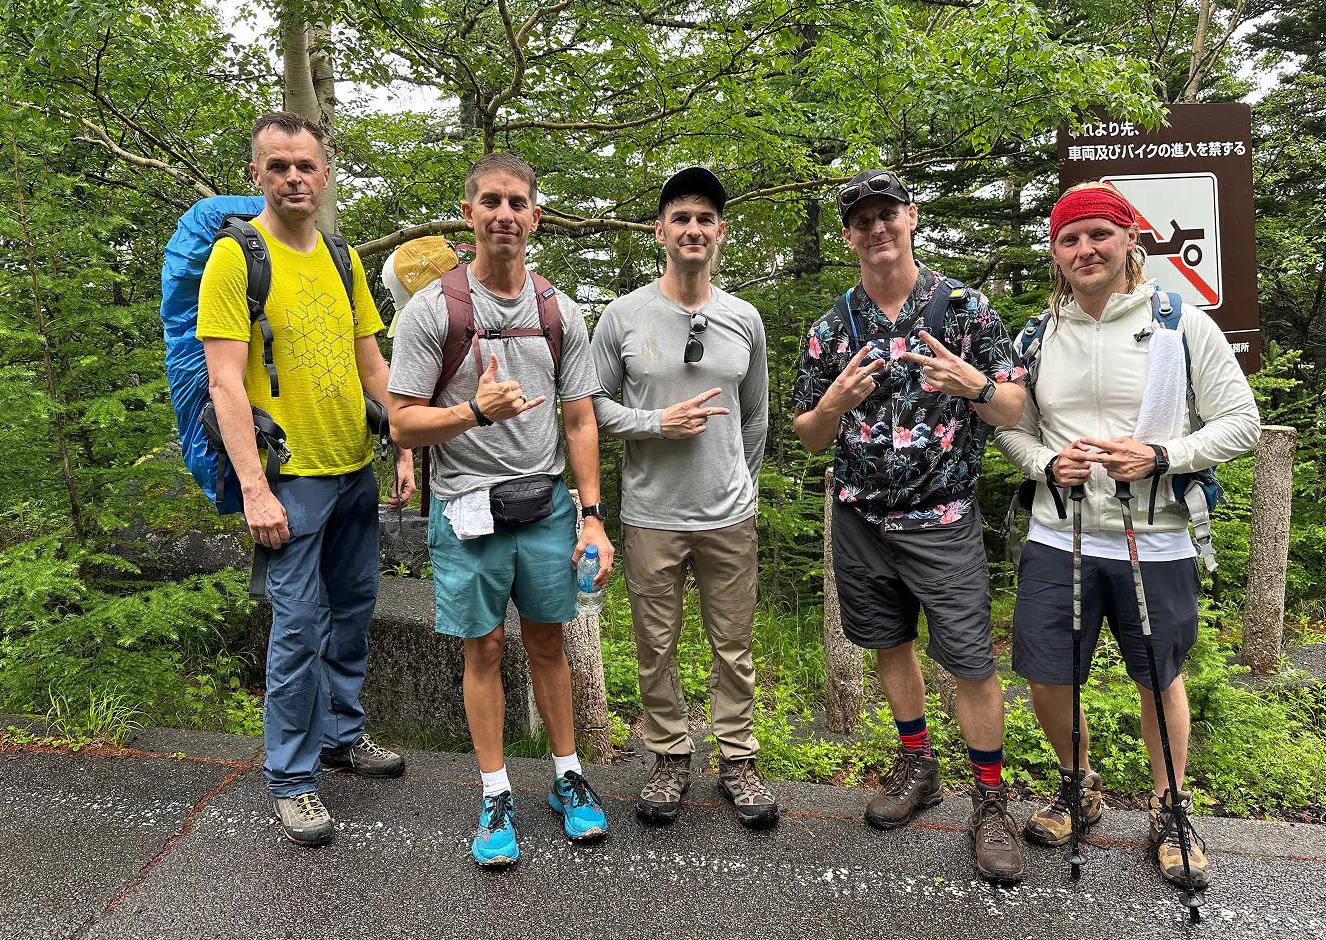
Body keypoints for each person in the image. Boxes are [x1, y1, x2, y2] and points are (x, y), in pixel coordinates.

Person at [996, 181, 1260, 890]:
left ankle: (1170, 807)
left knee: (1158, 677)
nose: (1085, 248)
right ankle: (1078, 783)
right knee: (1047, 672)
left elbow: (1242, 422)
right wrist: (1050, 463)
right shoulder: (1036, 334)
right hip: (1062, 531)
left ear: (1128, 242)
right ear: (1055, 253)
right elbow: (1013, 434)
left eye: (1099, 234)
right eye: (1070, 238)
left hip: (1158, 534)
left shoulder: (1180, 322)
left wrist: (1163, 456)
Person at [792, 169, 1029, 883]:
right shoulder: (833, 326)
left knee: (971, 662)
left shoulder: (962, 308)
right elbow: (807, 435)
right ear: (848, 236)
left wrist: (977, 387)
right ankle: (918, 764)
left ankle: (990, 801)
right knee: (889, 643)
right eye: (862, 221)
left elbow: (1014, 408)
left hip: (944, 516)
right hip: (860, 518)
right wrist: (832, 404)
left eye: (886, 215)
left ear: (912, 218)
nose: (876, 229)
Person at [387, 152, 614, 867]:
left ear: (535, 217)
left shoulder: (558, 310)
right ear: (468, 215)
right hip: (466, 511)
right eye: (490, 202)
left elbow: (580, 420)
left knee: (549, 644)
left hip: (546, 506)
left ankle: (568, 779)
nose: (504, 215)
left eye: (517, 203)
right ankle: (494, 793)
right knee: (482, 649)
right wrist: (473, 414)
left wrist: (592, 515)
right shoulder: (435, 311)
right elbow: (401, 423)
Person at [198, 111, 415, 847]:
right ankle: (291, 780)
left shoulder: (342, 257)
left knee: (352, 613)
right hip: (289, 480)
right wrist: (253, 488)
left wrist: (404, 441)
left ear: (325, 175)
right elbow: (226, 384)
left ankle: (340, 738)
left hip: (354, 467)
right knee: (296, 631)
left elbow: (371, 365)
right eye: (278, 166)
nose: (294, 177)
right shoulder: (237, 257)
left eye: (306, 166)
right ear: (255, 175)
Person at [591, 168, 775, 828]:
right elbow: (589, 410)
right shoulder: (623, 316)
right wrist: (655, 423)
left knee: (734, 644)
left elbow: (756, 414)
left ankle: (738, 759)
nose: (693, 229)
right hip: (651, 513)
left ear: (721, 232)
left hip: (729, 513)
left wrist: (741, 484)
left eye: (705, 218)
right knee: (655, 644)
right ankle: (669, 756)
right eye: (681, 218)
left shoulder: (742, 318)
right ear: (660, 232)